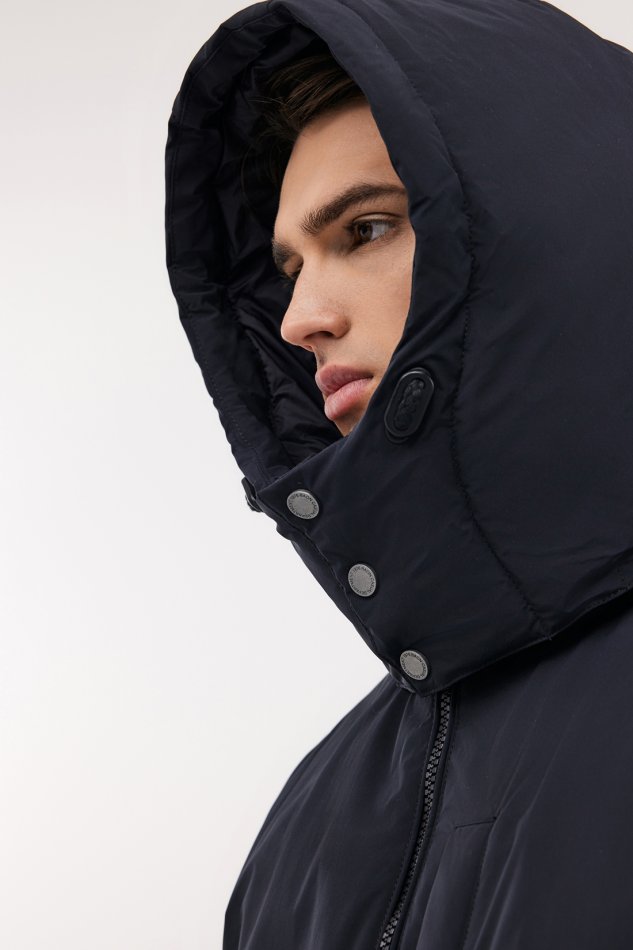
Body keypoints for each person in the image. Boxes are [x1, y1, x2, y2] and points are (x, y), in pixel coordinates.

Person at [164, 1, 633, 947]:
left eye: (367, 228)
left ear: (561, 236)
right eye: (288, 268)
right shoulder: (309, 822)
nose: (299, 318)